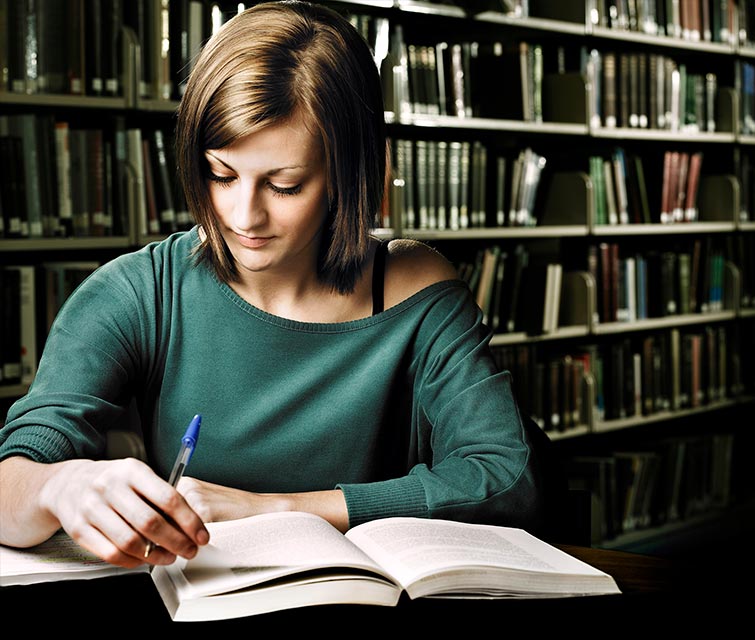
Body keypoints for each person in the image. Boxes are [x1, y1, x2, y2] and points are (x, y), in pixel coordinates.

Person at [0, 1, 544, 569]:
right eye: (220, 175)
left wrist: (277, 508)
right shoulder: (140, 292)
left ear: (346, 174)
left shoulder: (413, 290)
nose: (243, 217)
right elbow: (9, 481)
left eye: (284, 186)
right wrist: (56, 487)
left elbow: (507, 478)